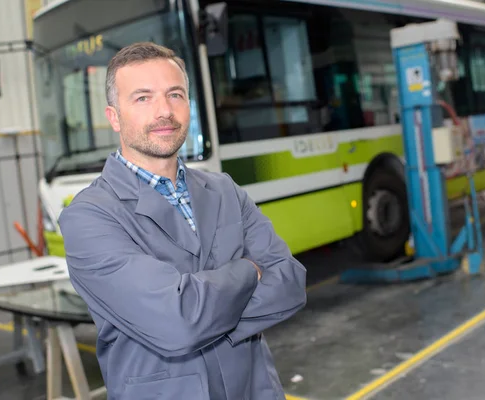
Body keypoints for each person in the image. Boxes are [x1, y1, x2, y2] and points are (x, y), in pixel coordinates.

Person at [58, 42, 307, 400]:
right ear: (113, 117)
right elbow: (178, 322)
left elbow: (289, 281)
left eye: (175, 95)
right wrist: (250, 271)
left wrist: (201, 306)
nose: (164, 111)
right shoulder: (89, 216)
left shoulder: (224, 189)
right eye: (142, 98)